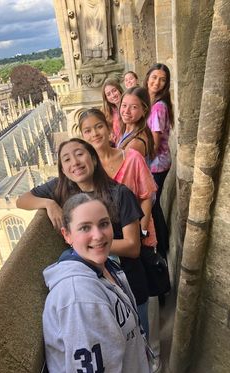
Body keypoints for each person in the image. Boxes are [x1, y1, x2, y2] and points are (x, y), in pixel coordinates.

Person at [16, 138, 150, 334]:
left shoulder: (120, 194)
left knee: (140, 339)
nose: (75, 162)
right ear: (63, 169)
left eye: (79, 154)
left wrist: (88, 244)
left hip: (129, 283)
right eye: (67, 159)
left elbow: (133, 247)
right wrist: (49, 204)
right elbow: (22, 200)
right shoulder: (60, 189)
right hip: (93, 288)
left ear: (93, 159)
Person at [42, 193, 151, 373]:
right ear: (67, 235)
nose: (98, 235)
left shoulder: (104, 265)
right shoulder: (80, 297)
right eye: (85, 228)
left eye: (104, 224)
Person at [77, 108, 158, 339]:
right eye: (88, 130)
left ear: (109, 127)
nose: (94, 133)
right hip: (109, 251)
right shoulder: (86, 169)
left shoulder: (131, 157)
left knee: (142, 297)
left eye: (99, 126)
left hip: (135, 233)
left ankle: (152, 354)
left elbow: (147, 196)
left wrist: (141, 229)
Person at [143, 63, 174, 260]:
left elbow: (154, 142)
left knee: (153, 206)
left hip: (157, 163)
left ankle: (162, 248)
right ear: (147, 78)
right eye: (154, 77)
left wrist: (142, 163)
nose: (157, 82)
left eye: (162, 79)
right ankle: (162, 246)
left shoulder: (159, 107)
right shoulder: (150, 102)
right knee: (154, 205)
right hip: (156, 162)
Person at [117, 87, 155, 166]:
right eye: (124, 105)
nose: (126, 111)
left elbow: (121, 174)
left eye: (134, 107)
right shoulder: (130, 130)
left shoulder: (135, 144)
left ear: (144, 111)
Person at [101, 78, 123, 144]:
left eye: (114, 90)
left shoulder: (129, 105)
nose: (113, 95)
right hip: (117, 147)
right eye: (108, 94)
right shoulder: (107, 112)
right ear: (106, 98)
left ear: (119, 90)